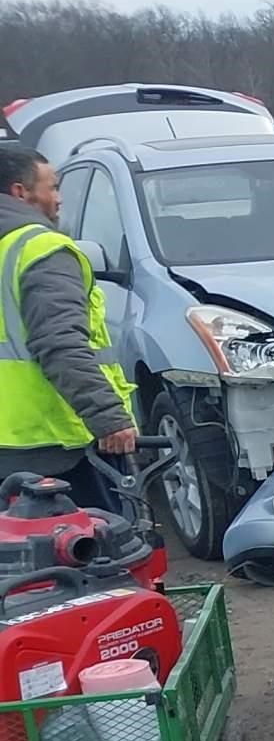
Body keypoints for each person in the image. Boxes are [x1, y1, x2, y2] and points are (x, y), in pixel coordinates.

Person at [0, 141, 139, 512]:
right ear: (21, 192)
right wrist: (108, 418)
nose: (59, 199)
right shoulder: (40, 249)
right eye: (53, 186)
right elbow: (60, 344)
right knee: (97, 555)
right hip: (50, 449)